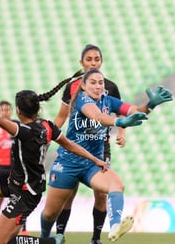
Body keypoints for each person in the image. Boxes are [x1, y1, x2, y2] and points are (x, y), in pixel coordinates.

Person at [0, 73, 111, 244]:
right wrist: (96, 159)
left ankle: (50, 241)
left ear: (18, 111)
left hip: (26, 192)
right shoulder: (46, 126)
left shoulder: (24, 131)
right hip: (15, 179)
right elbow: (71, 145)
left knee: (2, 241)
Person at [40, 69, 173, 242]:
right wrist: (118, 121)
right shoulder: (81, 99)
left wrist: (150, 105)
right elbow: (97, 116)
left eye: (100, 82)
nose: (97, 86)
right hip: (67, 163)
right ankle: (44, 237)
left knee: (117, 185)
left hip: (92, 164)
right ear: (84, 86)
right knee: (50, 214)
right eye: (93, 82)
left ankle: (115, 226)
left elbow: (135, 110)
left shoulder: (110, 101)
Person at [53, 44, 126, 244]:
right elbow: (61, 116)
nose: (93, 62)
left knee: (101, 194)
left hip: (100, 147)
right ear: (81, 63)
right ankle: (59, 234)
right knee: (69, 193)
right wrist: (45, 137)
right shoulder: (73, 87)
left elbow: (121, 113)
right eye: (89, 59)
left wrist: (122, 133)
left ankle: (95, 238)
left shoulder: (109, 87)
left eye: (96, 59)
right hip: (74, 147)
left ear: (101, 61)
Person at [0, 100, 29, 240]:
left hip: (16, 167)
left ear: (12, 111)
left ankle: (23, 229)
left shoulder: (16, 125)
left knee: (19, 198)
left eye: (7, 109)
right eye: (2, 109)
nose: (5, 112)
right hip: (0, 165)